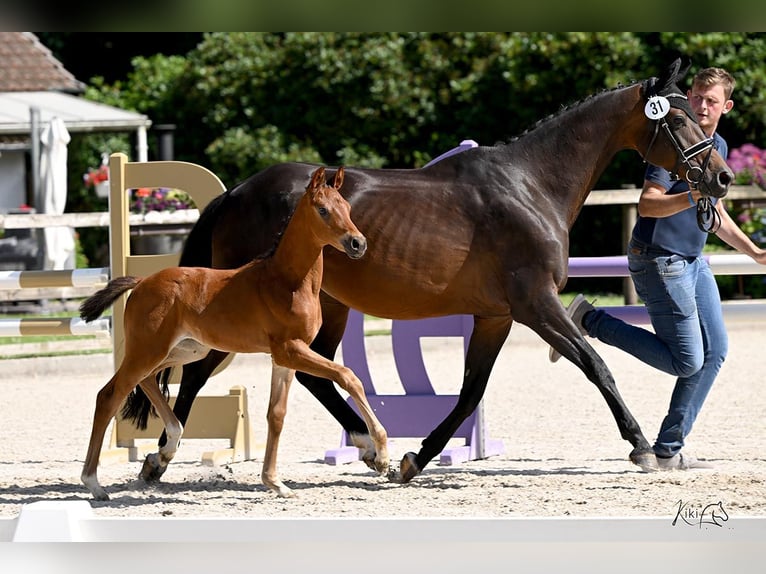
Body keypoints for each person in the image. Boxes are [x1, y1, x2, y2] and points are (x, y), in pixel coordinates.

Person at [549, 66, 766, 470]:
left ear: (726, 107)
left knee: (716, 351)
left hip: (691, 260)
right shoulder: (673, 139)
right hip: (659, 259)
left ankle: (668, 449)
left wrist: (754, 251)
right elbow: (648, 204)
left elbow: (713, 212)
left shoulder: (713, 143)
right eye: (697, 96)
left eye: (711, 100)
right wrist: (693, 194)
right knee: (687, 361)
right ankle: (589, 319)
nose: (701, 105)